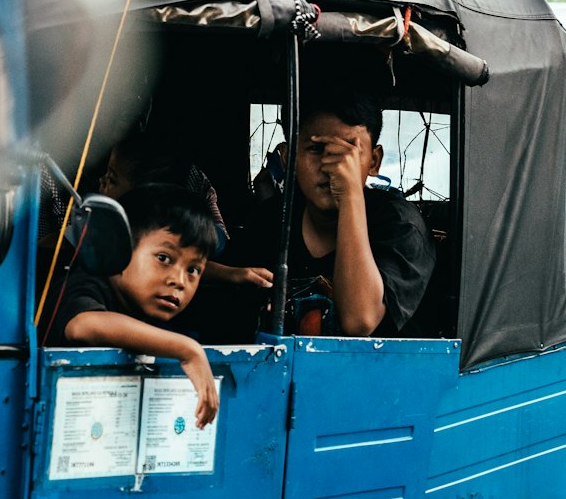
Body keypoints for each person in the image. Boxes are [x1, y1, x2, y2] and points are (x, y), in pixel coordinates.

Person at [227, 94, 435, 338]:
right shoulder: (272, 218)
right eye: (316, 149)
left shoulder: (401, 224)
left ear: (374, 161)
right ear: (289, 158)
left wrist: (350, 195)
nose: (330, 166)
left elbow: (360, 322)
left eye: (347, 153)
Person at [49, 183, 221, 426]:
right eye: (164, 258)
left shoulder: (150, 306)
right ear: (119, 249)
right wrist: (188, 351)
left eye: (193, 270)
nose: (179, 281)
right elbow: (82, 325)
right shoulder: (85, 282)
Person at [98, 131, 272, 294]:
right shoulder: (101, 231)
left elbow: (191, 254)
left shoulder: (160, 229)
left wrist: (235, 274)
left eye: (112, 179)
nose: (102, 182)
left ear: (144, 193)